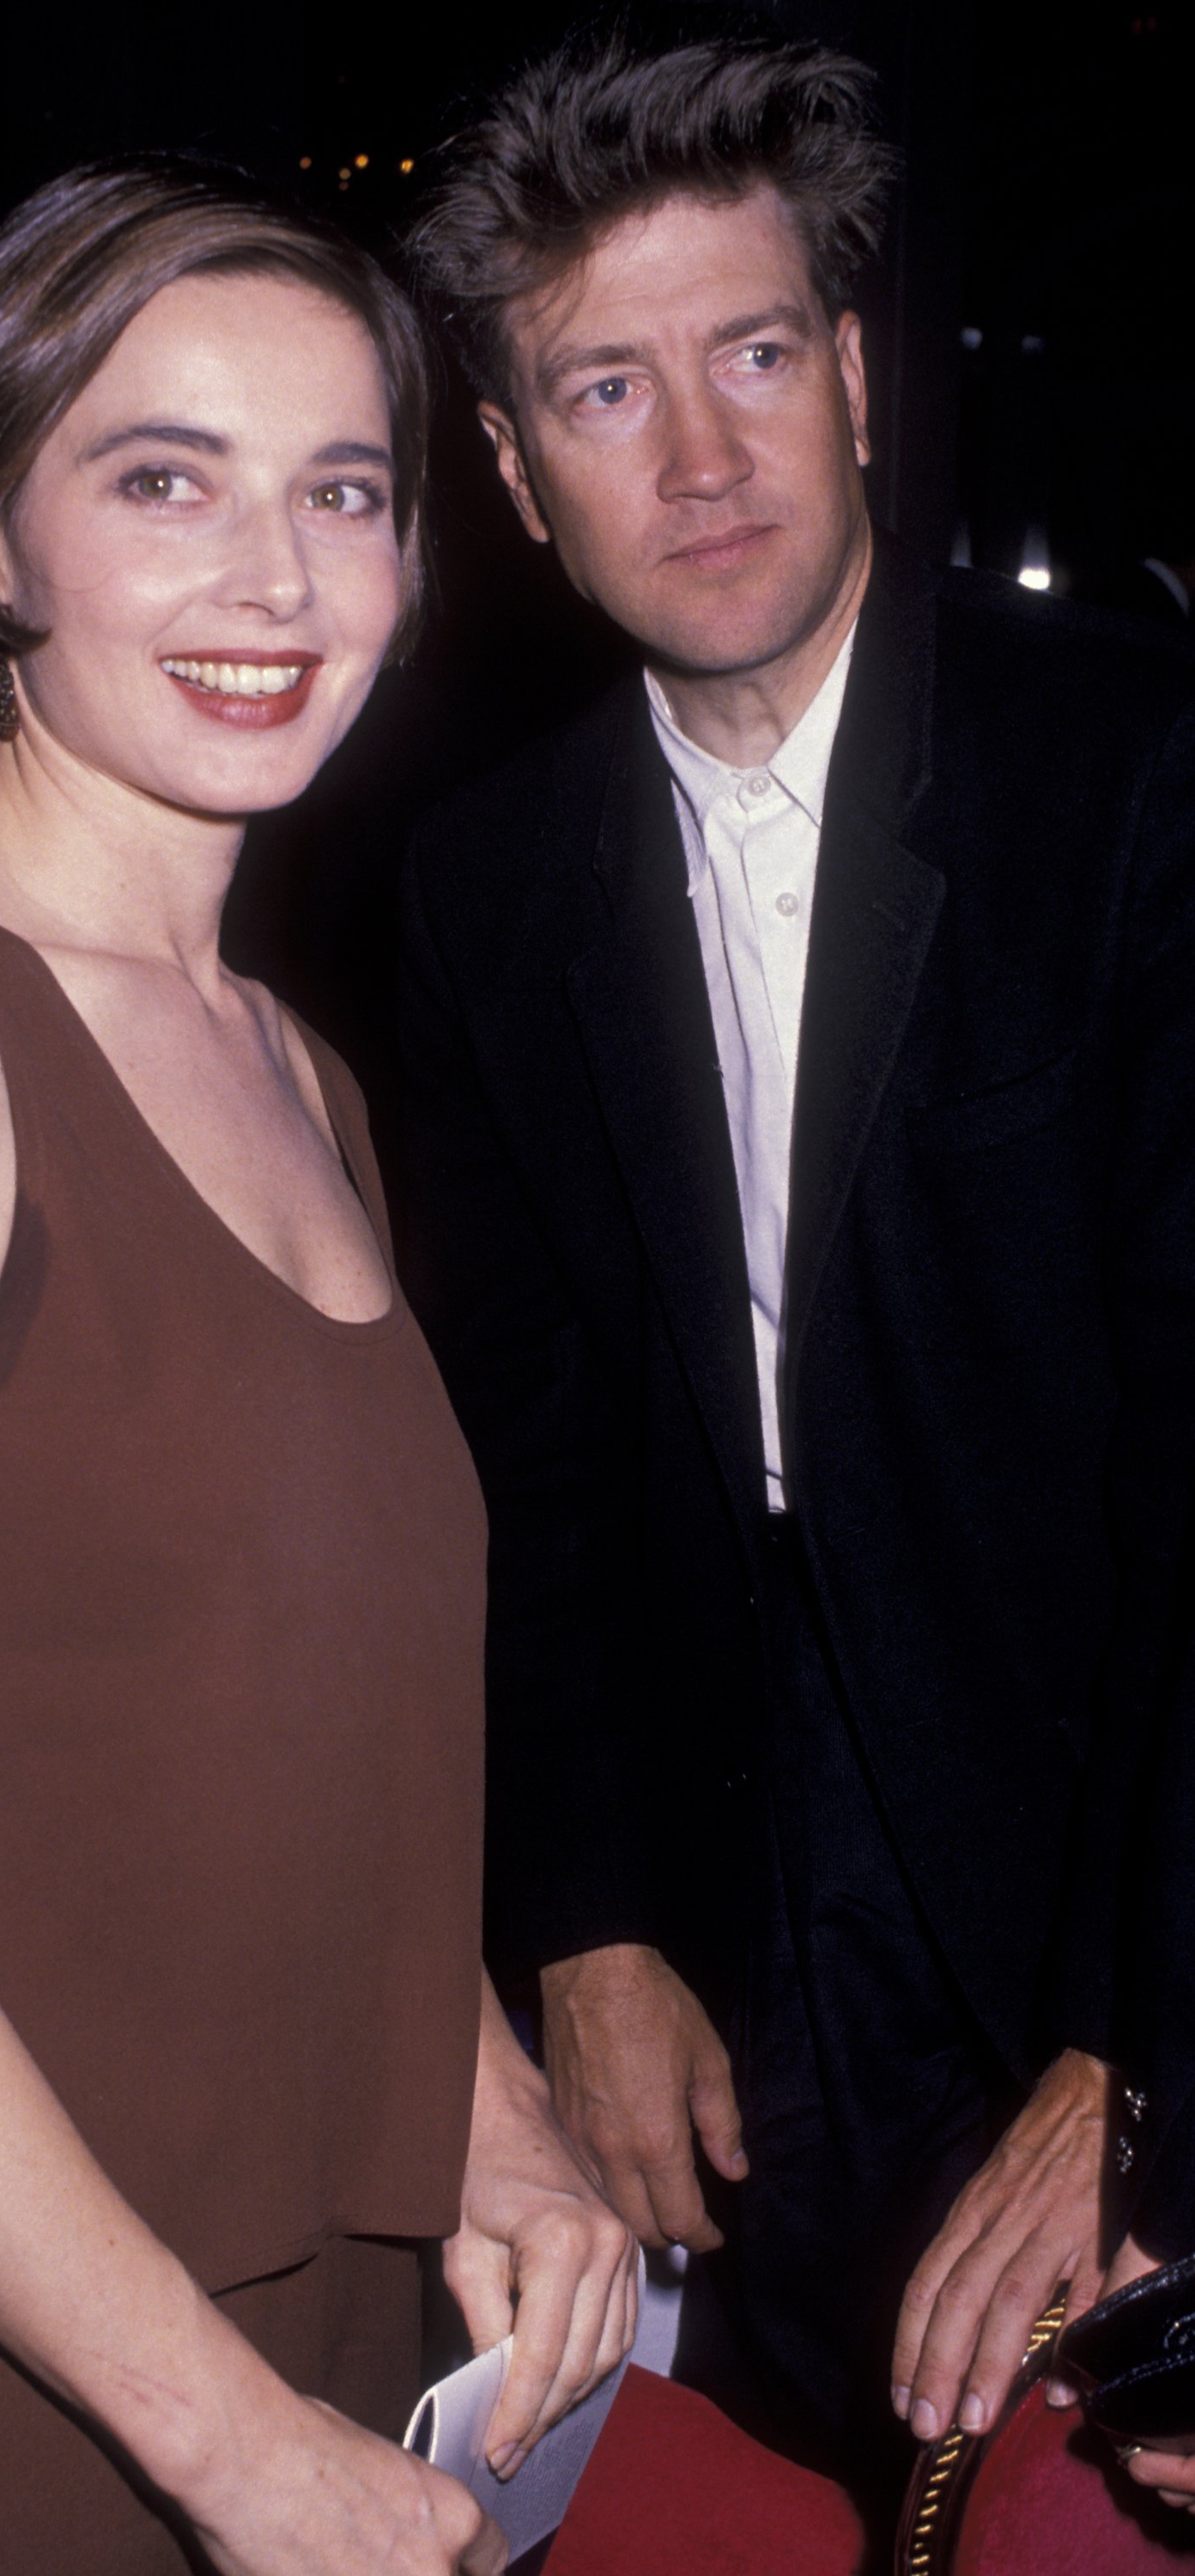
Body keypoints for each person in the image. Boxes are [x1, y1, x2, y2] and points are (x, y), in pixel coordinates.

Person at [0, 159, 635, 2576]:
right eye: (165, 482)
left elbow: (321, 1715)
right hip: (18, 2373)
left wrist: (492, 2114)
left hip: (337, 2296)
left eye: (343, 492)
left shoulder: (295, 1064)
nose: (276, 582)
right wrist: (221, 2446)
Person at [399, 29, 1195, 2537]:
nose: (705, 456)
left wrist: (1142, 2057)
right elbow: (522, 1447)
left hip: (1119, 1831)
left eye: (752, 355)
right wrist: (591, 1919)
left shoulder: (1151, 773)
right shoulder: (476, 885)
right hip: (738, 1903)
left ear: (856, 379)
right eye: (604, 391)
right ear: (520, 482)